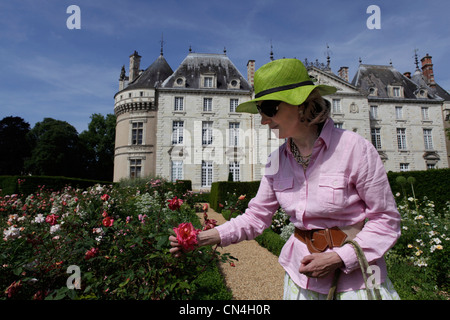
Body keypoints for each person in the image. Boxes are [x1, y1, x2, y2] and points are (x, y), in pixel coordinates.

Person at [169, 58, 401, 300]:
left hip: (356, 283)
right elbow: (256, 217)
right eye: (260, 111)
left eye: (269, 109)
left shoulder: (355, 149)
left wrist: (339, 258)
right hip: (300, 278)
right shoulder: (276, 161)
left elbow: (386, 220)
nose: (263, 120)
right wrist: (199, 238)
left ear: (301, 104)